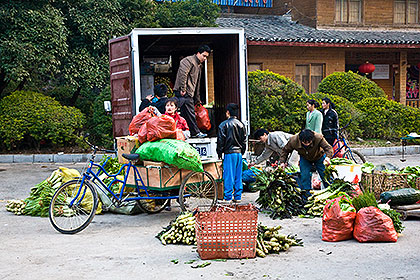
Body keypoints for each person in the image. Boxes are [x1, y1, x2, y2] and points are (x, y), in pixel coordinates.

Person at [279, 129, 333, 200]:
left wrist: (328, 158)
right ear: (300, 140)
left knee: (325, 175)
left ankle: (331, 193)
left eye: (309, 142)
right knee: (304, 176)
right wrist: (282, 162)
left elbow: (328, 148)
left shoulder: (318, 137)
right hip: (305, 158)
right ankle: (307, 197)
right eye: (304, 142)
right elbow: (285, 151)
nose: (307, 144)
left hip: (319, 157)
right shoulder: (293, 140)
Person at [173, 45, 211, 138]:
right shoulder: (188, 61)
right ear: (198, 53)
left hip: (188, 92)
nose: (205, 58)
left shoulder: (198, 65)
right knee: (189, 112)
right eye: (204, 56)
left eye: (206, 57)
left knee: (185, 113)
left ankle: (187, 132)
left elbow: (197, 83)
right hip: (184, 92)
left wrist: (197, 99)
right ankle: (195, 132)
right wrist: (183, 89)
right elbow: (183, 74)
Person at [216, 103, 247, 203]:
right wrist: (242, 151)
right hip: (239, 153)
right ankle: (238, 197)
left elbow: (221, 141)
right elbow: (244, 140)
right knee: (238, 175)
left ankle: (228, 197)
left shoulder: (223, 125)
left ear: (228, 112)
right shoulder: (241, 124)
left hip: (229, 153)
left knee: (229, 175)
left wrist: (219, 152)